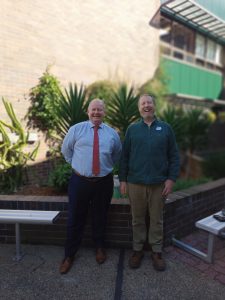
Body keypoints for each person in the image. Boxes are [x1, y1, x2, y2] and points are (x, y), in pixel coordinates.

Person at [59, 99, 122, 274]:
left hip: (103, 182)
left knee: (100, 216)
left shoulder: (112, 134)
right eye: (93, 109)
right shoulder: (76, 130)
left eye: (100, 110)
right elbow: (66, 151)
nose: (96, 113)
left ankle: (99, 247)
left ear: (104, 112)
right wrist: (78, 167)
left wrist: (103, 167)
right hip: (80, 182)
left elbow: (117, 155)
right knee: (74, 219)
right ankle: (69, 255)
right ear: (88, 112)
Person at [119, 94, 179, 271]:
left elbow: (174, 156)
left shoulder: (166, 128)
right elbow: (125, 157)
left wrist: (171, 179)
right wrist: (123, 180)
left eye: (149, 103)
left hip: (159, 184)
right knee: (137, 219)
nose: (146, 106)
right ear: (139, 108)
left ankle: (156, 251)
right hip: (135, 183)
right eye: (143, 103)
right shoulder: (132, 129)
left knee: (157, 219)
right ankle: (137, 250)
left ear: (154, 106)